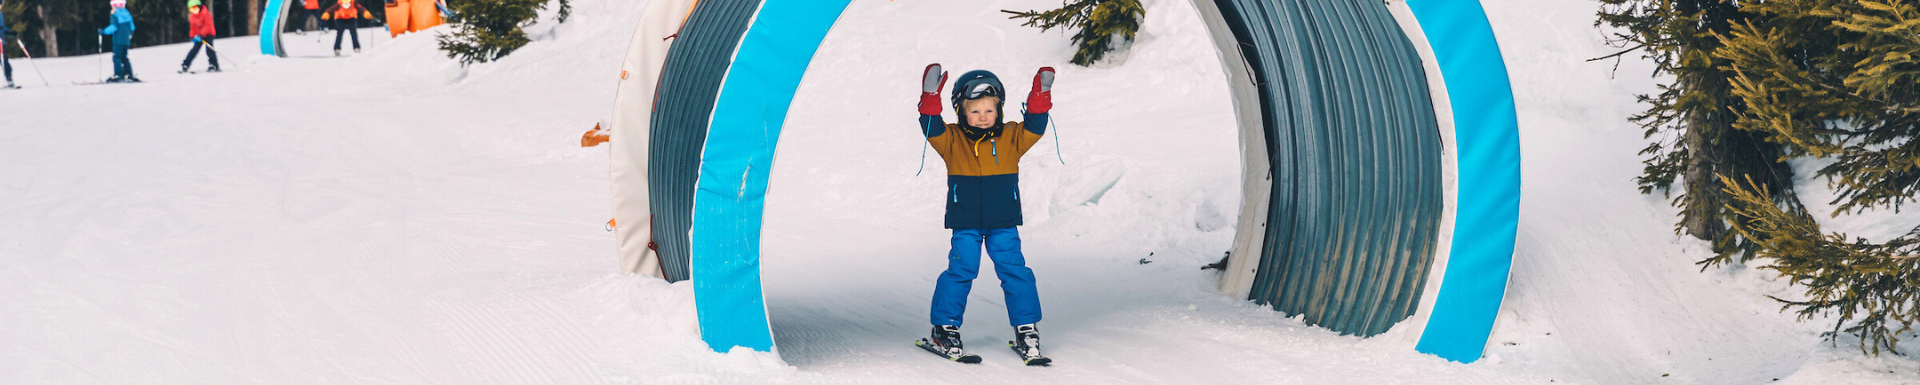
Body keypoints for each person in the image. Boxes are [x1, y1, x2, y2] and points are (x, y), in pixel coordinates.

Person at [914, 64, 1057, 365]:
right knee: (962, 270)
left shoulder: (1011, 137)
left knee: (1015, 271)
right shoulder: (951, 140)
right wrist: (929, 97)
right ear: (961, 112)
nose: (982, 117)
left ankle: (1026, 330)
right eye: (974, 111)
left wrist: (1040, 96)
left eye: (989, 111)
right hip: (965, 221)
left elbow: (1035, 126)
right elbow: (930, 126)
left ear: (999, 110)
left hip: (1003, 221)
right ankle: (945, 329)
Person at [98, 0, 137, 83]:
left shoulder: (115, 15)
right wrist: (129, 35)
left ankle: (118, 75)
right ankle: (128, 74)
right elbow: (132, 28)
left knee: (117, 57)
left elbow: (114, 27)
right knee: (124, 57)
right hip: (126, 41)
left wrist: (104, 31)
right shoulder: (127, 14)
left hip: (118, 41)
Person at [179, 0, 220, 73]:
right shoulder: (192, 16)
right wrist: (192, 36)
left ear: (199, 6)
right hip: (199, 36)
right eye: (191, 9)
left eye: (195, 8)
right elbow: (193, 28)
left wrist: (201, 35)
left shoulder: (206, 13)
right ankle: (186, 64)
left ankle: (213, 64)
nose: (194, 10)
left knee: (209, 49)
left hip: (209, 34)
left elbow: (207, 26)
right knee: (194, 49)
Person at [1, 1, 16, 89]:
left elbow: (2, 27)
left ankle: (9, 80)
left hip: (1, 42)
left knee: (5, 61)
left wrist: (10, 32)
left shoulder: (0, 15)